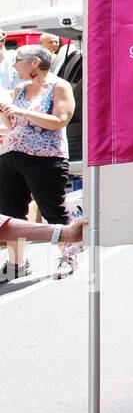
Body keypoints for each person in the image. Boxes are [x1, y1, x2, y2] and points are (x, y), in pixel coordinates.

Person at [0, 45, 77, 281]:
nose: (14, 66)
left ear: (34, 62)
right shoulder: (20, 89)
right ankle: (16, 263)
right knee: (11, 212)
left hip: (45, 158)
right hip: (12, 154)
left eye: (18, 61)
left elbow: (60, 120)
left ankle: (69, 254)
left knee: (52, 208)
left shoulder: (58, 86)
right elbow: (11, 123)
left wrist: (23, 113)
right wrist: (6, 112)